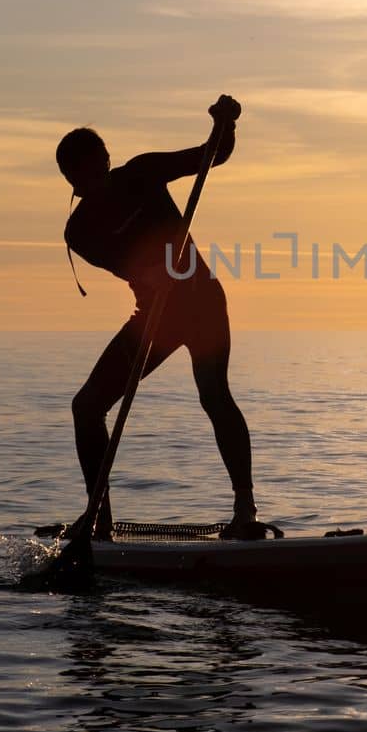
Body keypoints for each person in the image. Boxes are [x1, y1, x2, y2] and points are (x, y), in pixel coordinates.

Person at [56, 94, 259, 540]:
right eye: (79, 177)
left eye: (95, 169)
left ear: (106, 161)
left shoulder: (142, 172)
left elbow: (214, 155)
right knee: (86, 407)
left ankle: (245, 512)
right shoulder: (79, 230)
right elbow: (131, 266)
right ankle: (98, 519)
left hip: (202, 303)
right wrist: (151, 272)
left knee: (213, 394)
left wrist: (225, 122)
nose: (91, 181)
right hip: (156, 318)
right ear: (70, 179)